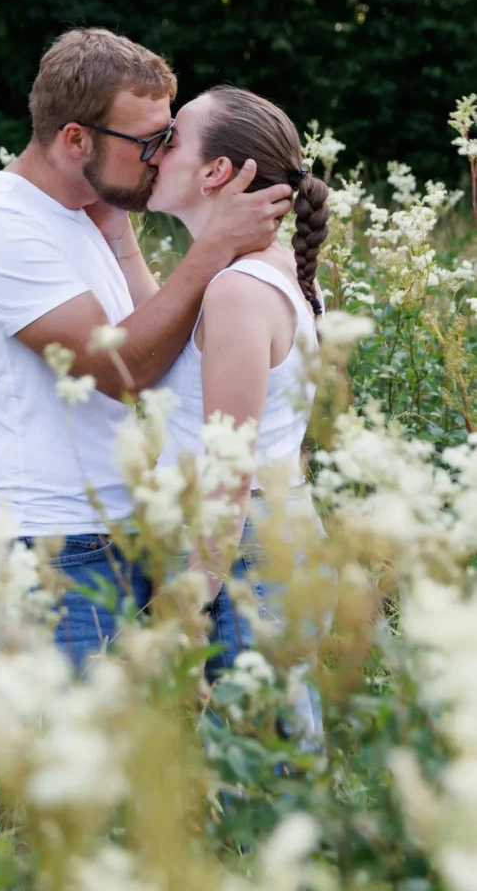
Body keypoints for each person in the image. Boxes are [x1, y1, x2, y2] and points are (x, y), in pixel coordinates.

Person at [0, 29, 293, 667]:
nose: (160, 157)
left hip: (127, 534)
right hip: (53, 551)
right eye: (147, 142)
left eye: (168, 138)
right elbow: (121, 370)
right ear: (76, 138)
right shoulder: (0, 228)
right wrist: (212, 249)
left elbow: (166, 354)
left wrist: (123, 236)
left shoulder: (88, 217)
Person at [146, 85, 330, 725]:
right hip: (267, 538)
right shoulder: (268, 270)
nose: (152, 153)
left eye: (169, 141)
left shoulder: (238, 292)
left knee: (269, 777)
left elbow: (232, 460)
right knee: (276, 762)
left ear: (215, 172)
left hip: (239, 556)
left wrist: (196, 590)